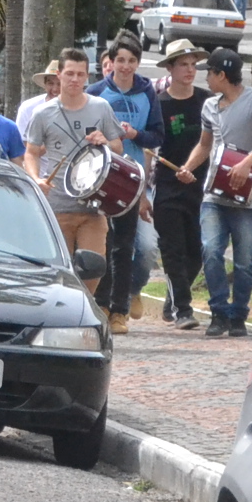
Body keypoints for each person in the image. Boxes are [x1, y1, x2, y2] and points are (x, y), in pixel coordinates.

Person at [201, 47, 252, 338]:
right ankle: (218, 312)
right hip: (214, 194)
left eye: (209, 73)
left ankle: (238, 316)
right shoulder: (209, 106)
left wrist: (247, 163)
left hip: (247, 196)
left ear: (222, 75)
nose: (206, 79)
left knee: (245, 261)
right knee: (211, 250)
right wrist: (187, 167)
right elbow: (204, 145)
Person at [22, 49, 124, 268]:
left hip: (93, 205)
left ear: (87, 76)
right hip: (57, 204)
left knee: (93, 268)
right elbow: (31, 152)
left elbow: (118, 147)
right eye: (69, 73)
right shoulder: (42, 113)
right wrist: (36, 179)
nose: (75, 79)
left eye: (80, 74)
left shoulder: (101, 107)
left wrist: (105, 143)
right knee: (60, 273)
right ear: (59, 74)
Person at [87, 35, 161, 330]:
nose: (126, 66)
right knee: (103, 242)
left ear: (138, 63)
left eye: (131, 61)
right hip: (100, 176)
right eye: (120, 60)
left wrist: (135, 135)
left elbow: (157, 135)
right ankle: (101, 304)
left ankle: (120, 310)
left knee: (125, 245)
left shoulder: (147, 93)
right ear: (111, 62)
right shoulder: (96, 92)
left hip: (133, 177)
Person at [145, 39, 214, 330]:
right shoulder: (159, 104)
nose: (189, 70)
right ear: (170, 68)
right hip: (167, 186)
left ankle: (172, 301)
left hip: (200, 186)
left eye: (193, 65)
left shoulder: (207, 101)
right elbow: (149, 147)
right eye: (183, 65)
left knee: (198, 251)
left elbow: (213, 142)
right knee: (172, 249)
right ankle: (183, 309)